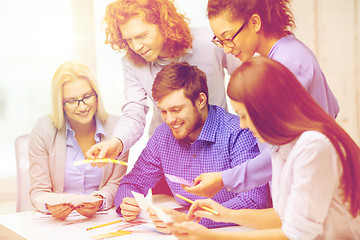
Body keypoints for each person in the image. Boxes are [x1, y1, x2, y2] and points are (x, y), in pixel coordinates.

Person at [168, 56, 360, 239]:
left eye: (243, 115)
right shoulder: (280, 148)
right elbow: (284, 218)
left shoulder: (313, 146)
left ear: (266, 109)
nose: (242, 124)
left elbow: (297, 234)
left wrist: (211, 237)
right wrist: (224, 214)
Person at [183, 0, 340, 198]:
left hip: (308, 190)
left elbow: (279, 150)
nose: (227, 49)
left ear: (255, 22)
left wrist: (224, 179)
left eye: (228, 38)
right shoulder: (289, 53)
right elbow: (333, 107)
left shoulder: (287, 63)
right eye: (220, 40)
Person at [85, 0, 240, 173]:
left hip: (218, 149)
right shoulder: (131, 63)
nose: (136, 46)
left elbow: (248, 82)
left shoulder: (211, 43)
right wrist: (116, 142)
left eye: (142, 35)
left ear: (165, 24)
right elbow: (134, 110)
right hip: (168, 155)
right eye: (128, 40)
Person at [115, 62, 271, 233]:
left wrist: (193, 220)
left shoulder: (238, 132)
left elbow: (254, 200)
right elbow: (132, 183)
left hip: (236, 231)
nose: (169, 120)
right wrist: (127, 202)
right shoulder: (162, 135)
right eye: (163, 111)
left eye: (176, 109)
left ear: (201, 100)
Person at [28, 61, 128, 220]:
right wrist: (50, 205)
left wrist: (100, 201)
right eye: (72, 101)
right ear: (61, 104)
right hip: (58, 222)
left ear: (96, 95)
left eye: (87, 96)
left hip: (101, 218)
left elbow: (116, 184)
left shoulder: (119, 130)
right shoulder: (43, 130)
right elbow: (39, 190)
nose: (82, 107)